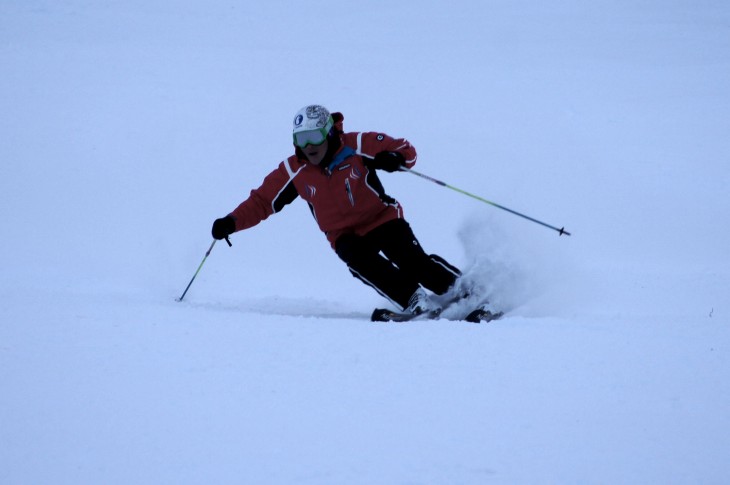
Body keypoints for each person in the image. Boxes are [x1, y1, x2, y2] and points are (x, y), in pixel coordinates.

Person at [211, 104, 462, 315]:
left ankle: (463, 290)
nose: (309, 146)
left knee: (411, 262)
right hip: (344, 235)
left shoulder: (356, 144)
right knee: (359, 260)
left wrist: (395, 158)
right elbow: (262, 202)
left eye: (314, 137)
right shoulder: (294, 170)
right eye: (301, 139)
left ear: (329, 133)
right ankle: (414, 300)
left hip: (381, 218)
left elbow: (405, 149)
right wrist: (231, 222)